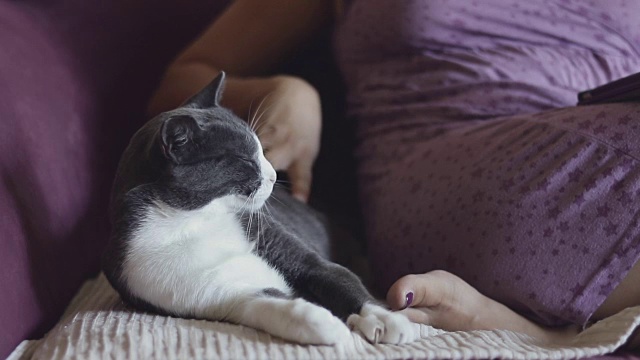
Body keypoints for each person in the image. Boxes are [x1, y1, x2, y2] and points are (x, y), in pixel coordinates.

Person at [149, 0, 640, 347]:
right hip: (449, 170)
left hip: (599, 131)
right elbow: (184, 79)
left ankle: (546, 333)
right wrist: (285, 92)